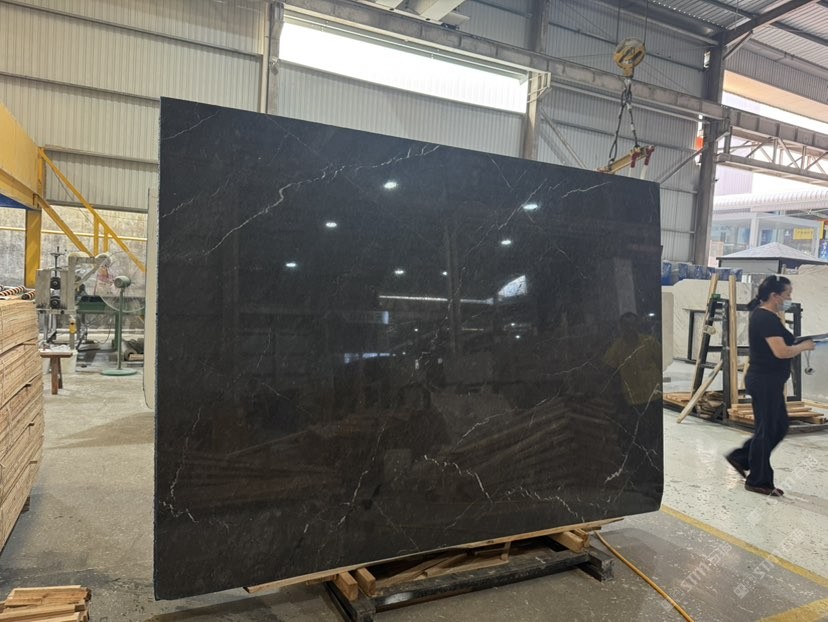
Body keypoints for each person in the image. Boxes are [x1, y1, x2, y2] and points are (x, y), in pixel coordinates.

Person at [725, 275, 815, 496]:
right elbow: (781, 351)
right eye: (787, 294)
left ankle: (742, 457)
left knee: (779, 426)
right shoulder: (765, 318)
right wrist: (804, 346)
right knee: (766, 431)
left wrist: (799, 342)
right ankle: (758, 480)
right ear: (775, 296)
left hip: (770, 381)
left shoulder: (769, 317)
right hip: (764, 381)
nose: (789, 298)